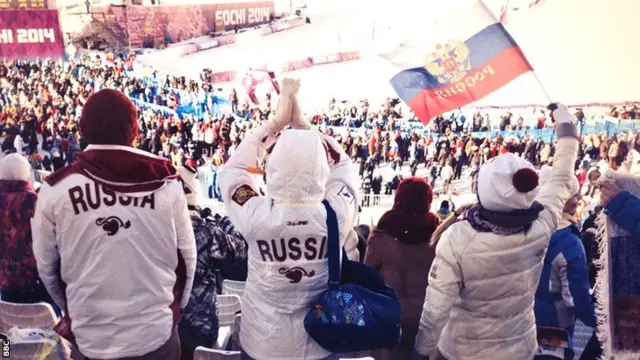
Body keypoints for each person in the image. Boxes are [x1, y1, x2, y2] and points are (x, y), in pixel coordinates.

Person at [31, 89, 197, 360]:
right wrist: (172, 311)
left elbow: (47, 268)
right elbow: (188, 259)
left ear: (83, 129)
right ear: (134, 129)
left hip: (91, 337)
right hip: (155, 334)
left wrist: (73, 309)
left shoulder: (54, 190)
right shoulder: (167, 183)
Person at [414, 104, 580, 360]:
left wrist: (422, 352)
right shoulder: (542, 223)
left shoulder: (458, 238)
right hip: (519, 348)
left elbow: (436, 310)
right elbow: (561, 177)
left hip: (462, 351)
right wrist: (567, 130)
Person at [218, 78, 359, 360]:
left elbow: (233, 170)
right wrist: (306, 128)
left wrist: (275, 125)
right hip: (319, 342)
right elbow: (344, 166)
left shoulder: (255, 212)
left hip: (263, 344)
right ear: (320, 167)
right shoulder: (337, 212)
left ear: (272, 165)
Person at [177, 165, 248, 359]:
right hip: (200, 326)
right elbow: (242, 249)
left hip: (164, 324)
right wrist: (221, 222)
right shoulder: (206, 232)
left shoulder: (157, 230)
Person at [364, 177, 440, 360]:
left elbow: (367, 274)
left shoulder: (383, 232)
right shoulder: (439, 234)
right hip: (427, 316)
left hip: (390, 317)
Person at [534, 167, 596, 359]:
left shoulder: (523, 229)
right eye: (571, 194)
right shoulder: (568, 242)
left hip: (519, 320)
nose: (577, 200)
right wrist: (601, 321)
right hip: (554, 326)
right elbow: (576, 299)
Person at [0, 154, 60, 315]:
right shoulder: (33, 200)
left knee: (11, 325)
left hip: (6, 277)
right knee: (45, 321)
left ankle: (8, 342)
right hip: (36, 276)